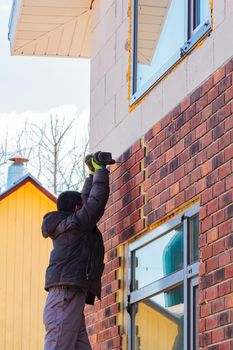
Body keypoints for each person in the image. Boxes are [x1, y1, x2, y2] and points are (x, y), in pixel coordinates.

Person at [42, 154, 110, 350]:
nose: (83, 205)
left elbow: (87, 201)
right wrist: (101, 170)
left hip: (68, 297)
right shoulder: (75, 225)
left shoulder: (69, 224)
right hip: (65, 297)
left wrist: (91, 175)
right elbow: (94, 203)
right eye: (81, 205)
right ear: (76, 208)